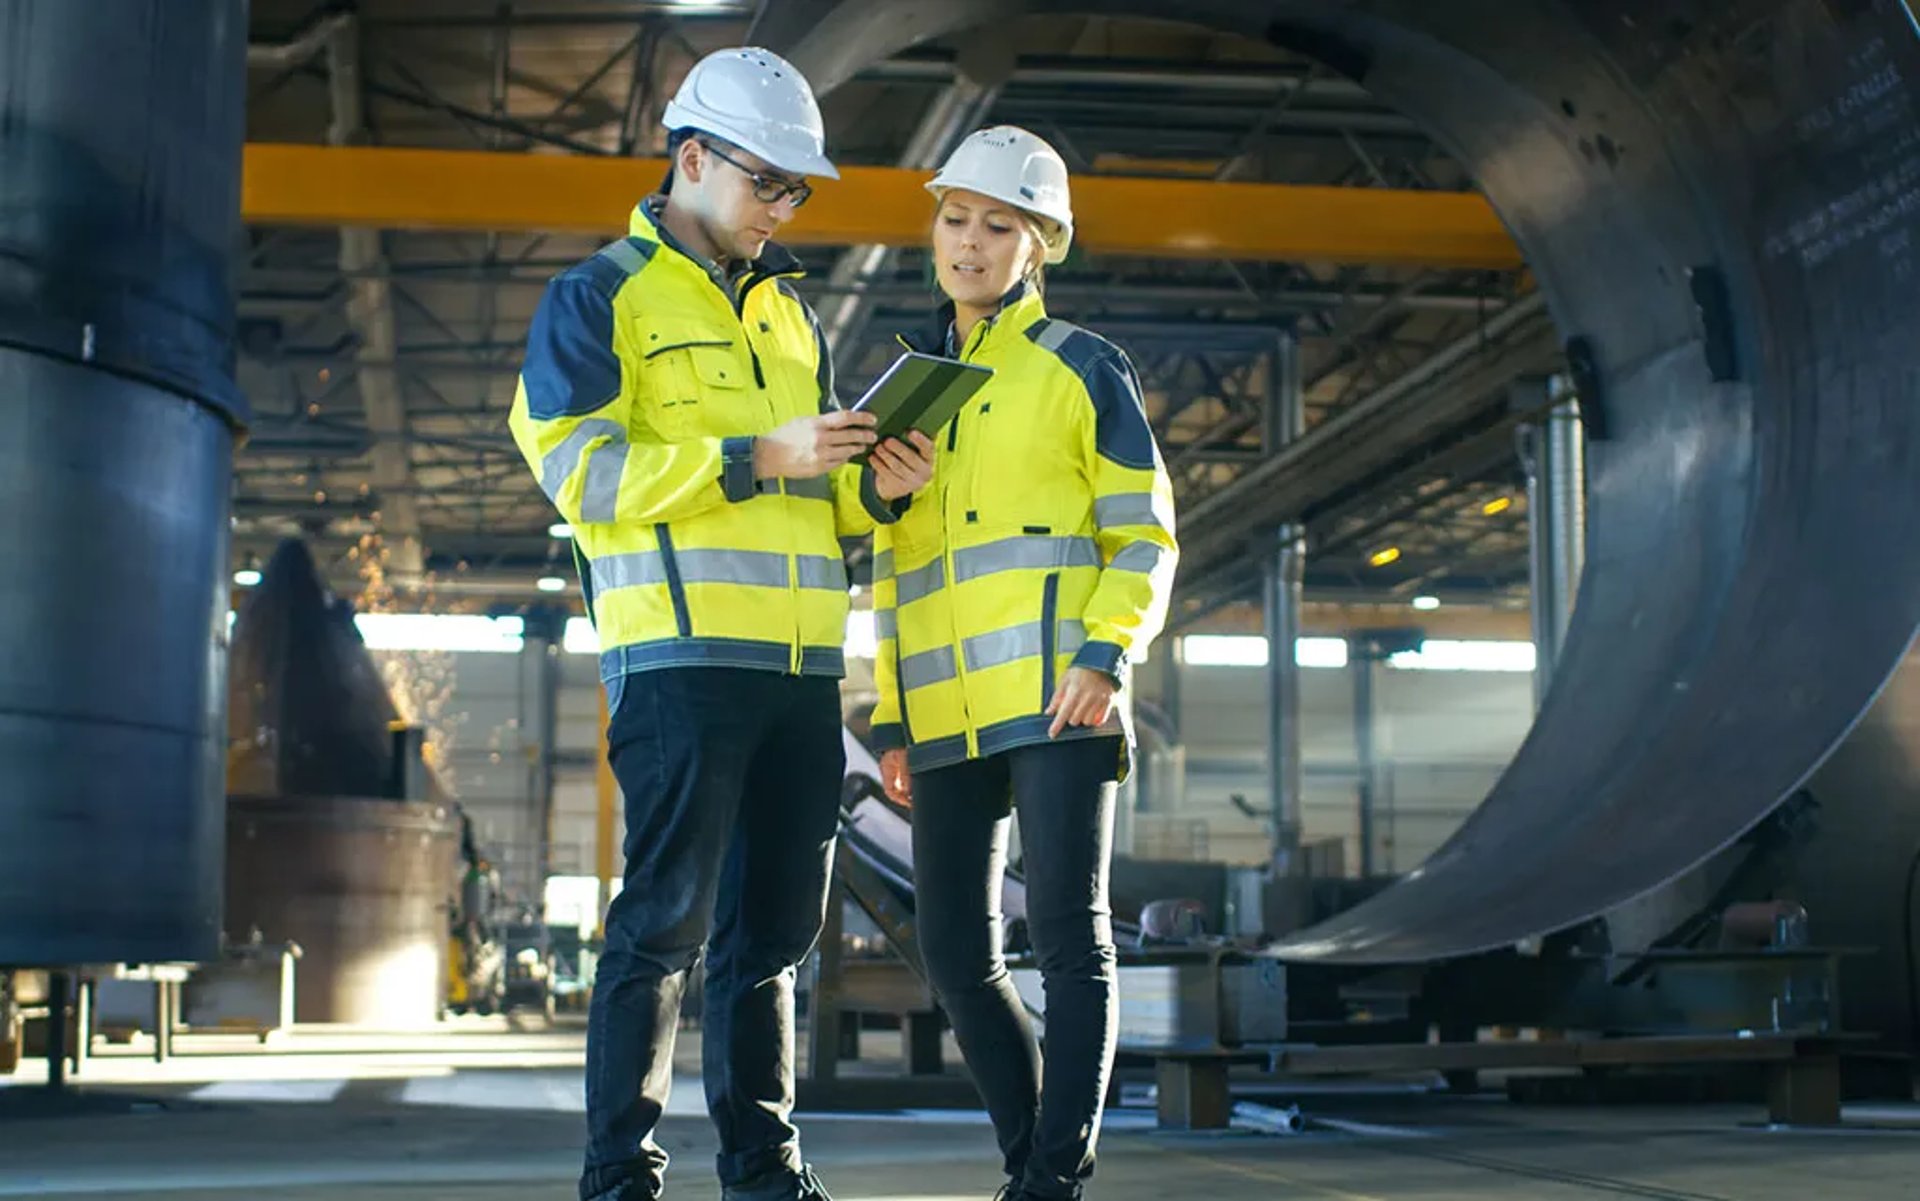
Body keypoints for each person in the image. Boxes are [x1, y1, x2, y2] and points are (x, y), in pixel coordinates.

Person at [508, 47, 936, 1201]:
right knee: (661, 930)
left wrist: (876, 480)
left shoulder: (790, 314)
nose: (783, 211)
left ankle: (765, 1171)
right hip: (682, 665)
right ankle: (619, 1178)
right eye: (769, 185)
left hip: (801, 672)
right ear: (691, 159)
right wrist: (755, 453)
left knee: (774, 947)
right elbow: (582, 474)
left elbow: (817, 494)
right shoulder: (598, 296)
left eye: (799, 193)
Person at [869, 126, 1179, 1200]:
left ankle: (1051, 1176)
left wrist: (1107, 653)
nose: (969, 243)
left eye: (998, 225)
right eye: (955, 219)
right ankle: (1028, 1156)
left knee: (1068, 940)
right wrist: (893, 718)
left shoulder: (1081, 367)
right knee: (954, 950)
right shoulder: (911, 393)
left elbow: (1143, 533)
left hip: (1060, 694)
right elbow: (895, 574)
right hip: (948, 715)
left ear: (1039, 243)